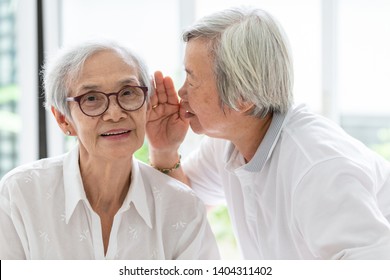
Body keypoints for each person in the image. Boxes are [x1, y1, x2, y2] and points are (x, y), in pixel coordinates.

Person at [146, 7, 390, 259]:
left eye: (192, 80)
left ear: (243, 97)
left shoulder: (318, 167)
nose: (181, 93)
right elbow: (183, 210)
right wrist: (164, 150)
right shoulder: (230, 141)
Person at [0, 40, 220, 260]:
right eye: (92, 99)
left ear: (146, 105)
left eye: (127, 93)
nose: (115, 114)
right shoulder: (20, 194)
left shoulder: (182, 206)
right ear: (63, 119)